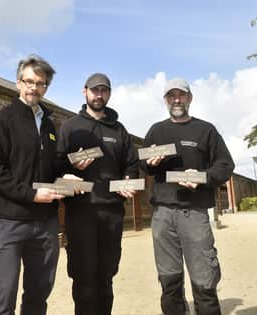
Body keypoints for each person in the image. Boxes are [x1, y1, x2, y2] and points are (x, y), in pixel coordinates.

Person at [0, 54, 64, 315]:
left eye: (40, 83)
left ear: (46, 87)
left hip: (45, 224)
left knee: (38, 298)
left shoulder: (51, 126)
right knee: (3, 299)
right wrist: (31, 195)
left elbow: (53, 168)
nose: (33, 88)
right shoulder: (1, 121)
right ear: (17, 83)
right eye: (28, 81)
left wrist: (66, 178)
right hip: (8, 221)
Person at [142, 78, 234, 315]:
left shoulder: (206, 130)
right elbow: (144, 164)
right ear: (165, 100)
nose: (176, 100)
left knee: (204, 279)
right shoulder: (156, 130)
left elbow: (225, 165)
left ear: (189, 97)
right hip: (162, 215)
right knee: (169, 280)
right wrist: (149, 163)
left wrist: (202, 176)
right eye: (171, 96)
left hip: (194, 213)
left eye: (181, 95)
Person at [56, 73, 139, 315]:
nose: (99, 95)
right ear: (85, 92)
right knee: (83, 278)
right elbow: (57, 165)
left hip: (112, 212)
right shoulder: (70, 127)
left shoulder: (119, 130)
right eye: (94, 90)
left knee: (106, 275)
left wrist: (127, 180)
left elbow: (131, 163)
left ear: (109, 94)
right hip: (80, 213)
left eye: (104, 90)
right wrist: (72, 167)